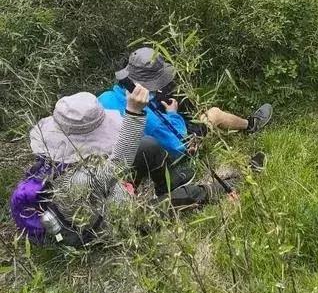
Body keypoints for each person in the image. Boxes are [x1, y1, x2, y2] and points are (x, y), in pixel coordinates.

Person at [98, 47, 272, 197]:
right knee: (214, 114)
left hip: (122, 163)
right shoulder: (150, 119)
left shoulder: (103, 99)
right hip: (167, 154)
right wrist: (172, 114)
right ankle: (250, 125)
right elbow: (180, 145)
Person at [26, 85, 150, 245]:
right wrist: (134, 112)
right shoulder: (82, 177)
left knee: (147, 147)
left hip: (87, 209)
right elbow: (119, 164)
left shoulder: (57, 163)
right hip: (100, 231)